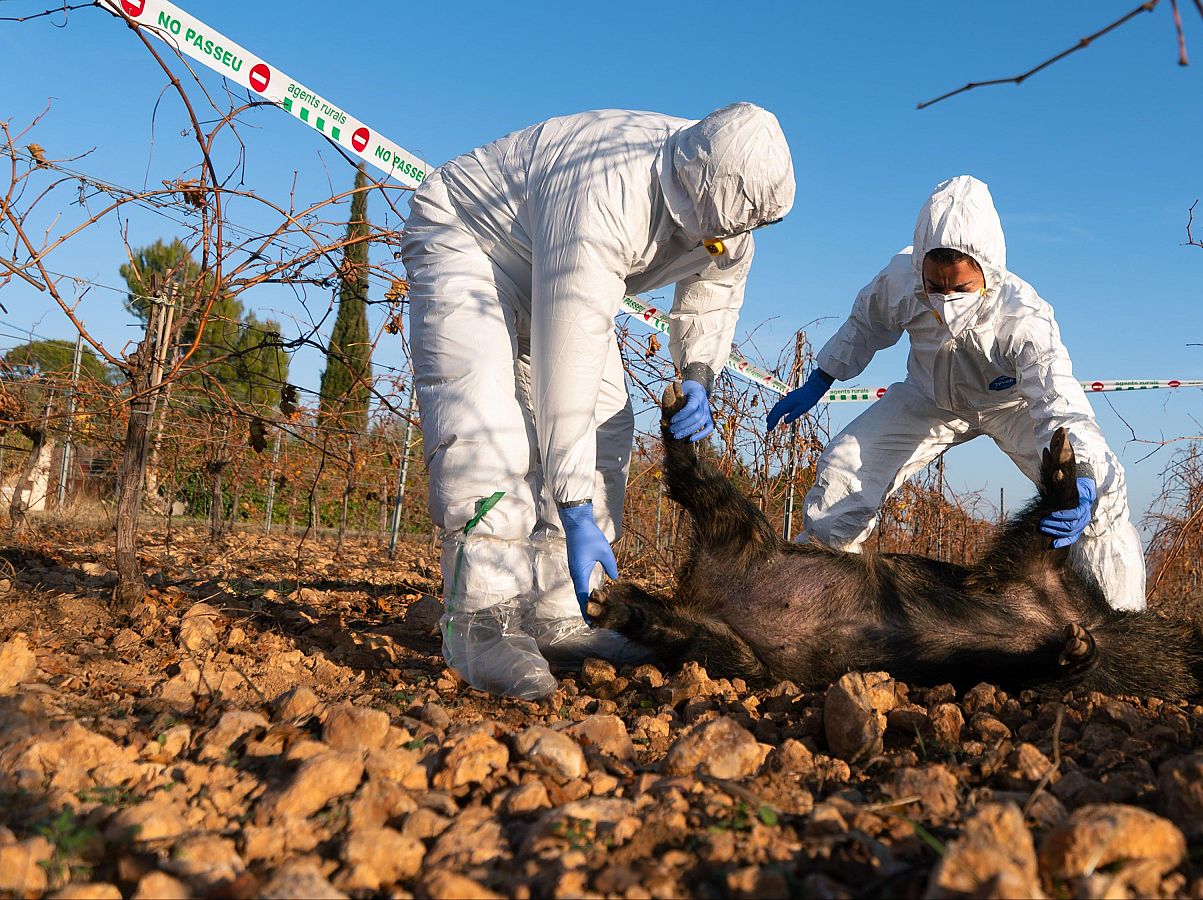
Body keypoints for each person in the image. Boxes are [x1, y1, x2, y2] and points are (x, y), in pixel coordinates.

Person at [402, 103, 795, 699]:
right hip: (473, 240)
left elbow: (715, 289)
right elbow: (570, 363)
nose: (725, 240)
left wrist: (697, 374)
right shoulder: (607, 187)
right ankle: (479, 628)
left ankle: (562, 612)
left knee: (611, 425)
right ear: (687, 184)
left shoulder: (733, 209)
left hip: (553, 261)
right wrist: (576, 505)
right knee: (486, 423)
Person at [766, 175, 1145, 611]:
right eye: (936, 286)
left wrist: (1084, 473)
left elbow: (1056, 400)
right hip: (928, 400)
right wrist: (822, 378)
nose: (946, 299)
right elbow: (865, 325)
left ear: (988, 271)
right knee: (843, 467)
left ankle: (1121, 626)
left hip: (1011, 405)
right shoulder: (899, 280)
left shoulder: (1023, 317)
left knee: (1101, 500)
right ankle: (815, 605)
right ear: (920, 269)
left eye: (961, 288)